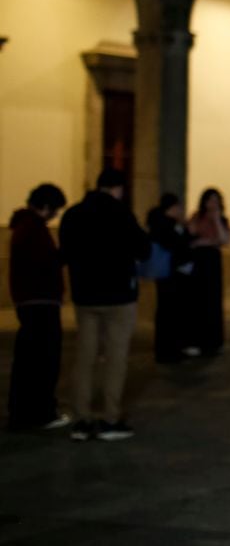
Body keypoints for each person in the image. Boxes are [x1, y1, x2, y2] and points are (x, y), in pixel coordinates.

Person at [58, 168, 151, 441]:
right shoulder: (122, 213)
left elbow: (64, 252)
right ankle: (110, 418)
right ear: (117, 189)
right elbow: (143, 249)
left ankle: (82, 420)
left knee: (85, 358)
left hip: (85, 295)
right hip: (118, 296)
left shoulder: (73, 214)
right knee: (115, 358)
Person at [7, 183, 69, 431]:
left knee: (29, 361)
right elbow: (46, 263)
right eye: (55, 209)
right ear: (45, 206)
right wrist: (64, 254)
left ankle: (24, 412)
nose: (55, 215)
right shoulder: (32, 229)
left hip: (30, 301)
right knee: (43, 360)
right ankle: (40, 412)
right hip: (40, 302)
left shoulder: (25, 227)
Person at [146, 193, 195, 363]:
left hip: (165, 273)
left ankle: (167, 349)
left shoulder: (158, 224)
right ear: (173, 207)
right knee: (171, 313)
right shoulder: (167, 225)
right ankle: (170, 350)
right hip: (172, 274)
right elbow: (179, 246)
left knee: (166, 312)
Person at [186, 188, 230, 356]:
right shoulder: (197, 217)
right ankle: (196, 340)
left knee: (213, 300)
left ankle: (214, 341)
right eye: (210, 200)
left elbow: (224, 240)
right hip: (199, 261)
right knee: (197, 300)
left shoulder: (223, 219)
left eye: (216, 200)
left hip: (213, 262)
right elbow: (190, 237)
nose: (213, 203)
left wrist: (216, 219)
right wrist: (206, 241)